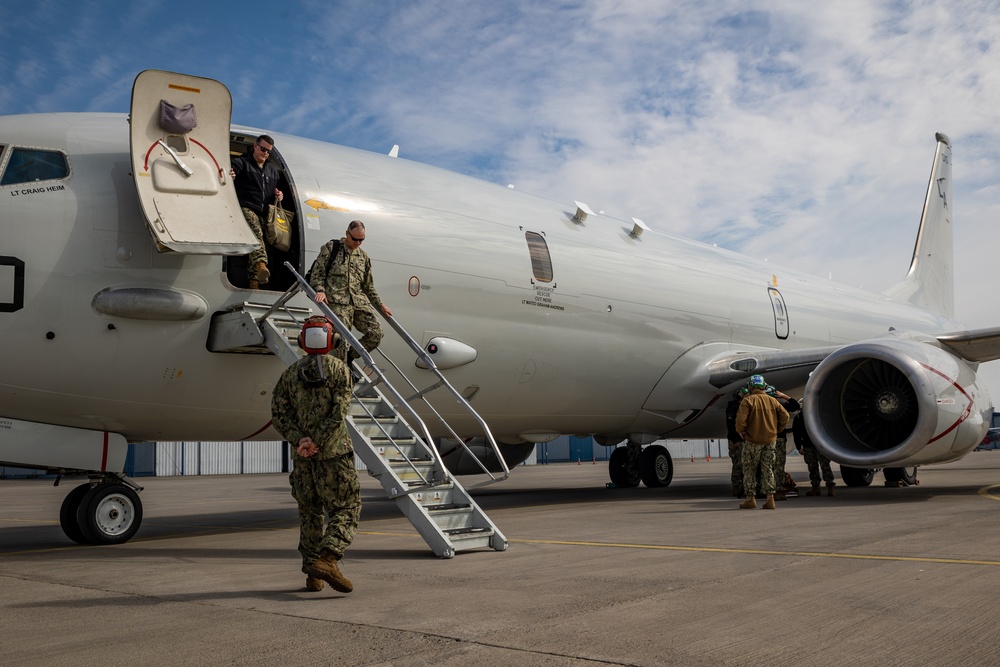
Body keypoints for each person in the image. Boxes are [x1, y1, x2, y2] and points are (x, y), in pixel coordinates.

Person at [271, 316, 360, 593]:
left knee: (310, 514)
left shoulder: (289, 374)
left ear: (302, 341)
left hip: (303, 457)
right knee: (348, 507)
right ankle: (328, 558)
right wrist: (319, 440)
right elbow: (338, 412)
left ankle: (312, 575)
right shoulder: (340, 370)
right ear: (332, 341)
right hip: (334, 454)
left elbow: (278, 414)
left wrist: (302, 441)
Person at [308, 220, 392, 362]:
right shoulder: (331, 248)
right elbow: (318, 273)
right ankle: (341, 365)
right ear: (347, 234)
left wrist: (380, 304)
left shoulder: (363, 257)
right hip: (337, 301)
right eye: (355, 239)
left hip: (358, 302)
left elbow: (368, 286)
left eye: (362, 240)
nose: (358, 243)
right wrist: (320, 290)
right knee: (341, 340)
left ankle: (349, 357)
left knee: (376, 333)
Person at [230, 134, 284, 289]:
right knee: (257, 234)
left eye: (268, 152)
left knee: (261, 243)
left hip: (264, 212)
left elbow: (275, 190)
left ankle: (254, 282)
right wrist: (231, 176)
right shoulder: (242, 163)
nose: (265, 153)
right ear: (255, 146)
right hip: (246, 207)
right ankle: (260, 265)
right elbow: (230, 174)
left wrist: (279, 195)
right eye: (263, 149)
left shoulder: (272, 172)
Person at [735, 374, 789, 510]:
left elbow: (740, 422)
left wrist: (742, 431)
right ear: (764, 386)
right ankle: (770, 499)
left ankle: (750, 499)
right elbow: (785, 416)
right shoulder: (773, 401)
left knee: (749, 469)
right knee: (768, 469)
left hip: (752, 440)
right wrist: (777, 429)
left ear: (750, 386)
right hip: (770, 440)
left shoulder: (747, 401)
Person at [792, 412, 836, 496]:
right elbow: (796, 433)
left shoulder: (818, 414)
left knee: (825, 466)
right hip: (808, 445)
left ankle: (830, 486)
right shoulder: (799, 417)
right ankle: (815, 487)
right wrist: (799, 447)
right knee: (812, 467)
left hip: (820, 445)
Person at [725, 387, 748, 497]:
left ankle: (743, 486)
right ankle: (736, 486)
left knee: (744, 464)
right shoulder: (733, 408)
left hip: (742, 440)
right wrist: (735, 440)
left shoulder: (742, 407)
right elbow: (731, 426)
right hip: (736, 440)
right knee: (737, 464)